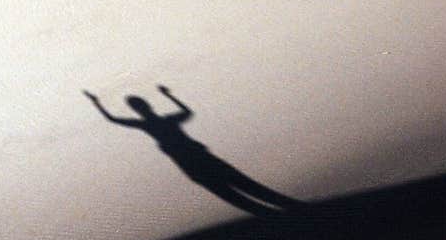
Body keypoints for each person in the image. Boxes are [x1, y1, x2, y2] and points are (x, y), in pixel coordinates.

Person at [84, 85, 298, 217]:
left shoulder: (151, 124)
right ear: (145, 106)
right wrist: (168, 95)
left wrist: (97, 103)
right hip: (197, 159)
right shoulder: (163, 121)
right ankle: (288, 209)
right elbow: (187, 111)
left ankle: (282, 210)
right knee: (240, 186)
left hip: (194, 162)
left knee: (235, 190)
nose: (141, 108)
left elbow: (113, 119)